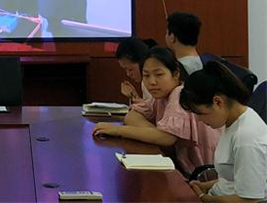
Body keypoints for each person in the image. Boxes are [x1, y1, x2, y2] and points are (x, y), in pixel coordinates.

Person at [92, 46, 221, 176]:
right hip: (189, 169)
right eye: (146, 75)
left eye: (159, 75)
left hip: (206, 173)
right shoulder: (161, 96)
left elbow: (167, 138)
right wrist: (155, 133)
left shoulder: (179, 93)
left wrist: (118, 130)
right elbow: (132, 115)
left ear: (176, 74)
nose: (152, 82)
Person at [180, 62, 267, 202]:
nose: (199, 120)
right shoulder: (235, 119)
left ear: (218, 102)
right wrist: (204, 186)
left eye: (200, 113)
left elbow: (249, 200)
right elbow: (232, 179)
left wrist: (204, 198)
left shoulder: (246, 138)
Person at [114, 37, 153, 104]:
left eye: (130, 69)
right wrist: (134, 95)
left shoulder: (152, 81)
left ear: (142, 62)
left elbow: (155, 109)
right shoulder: (144, 82)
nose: (128, 74)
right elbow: (148, 107)